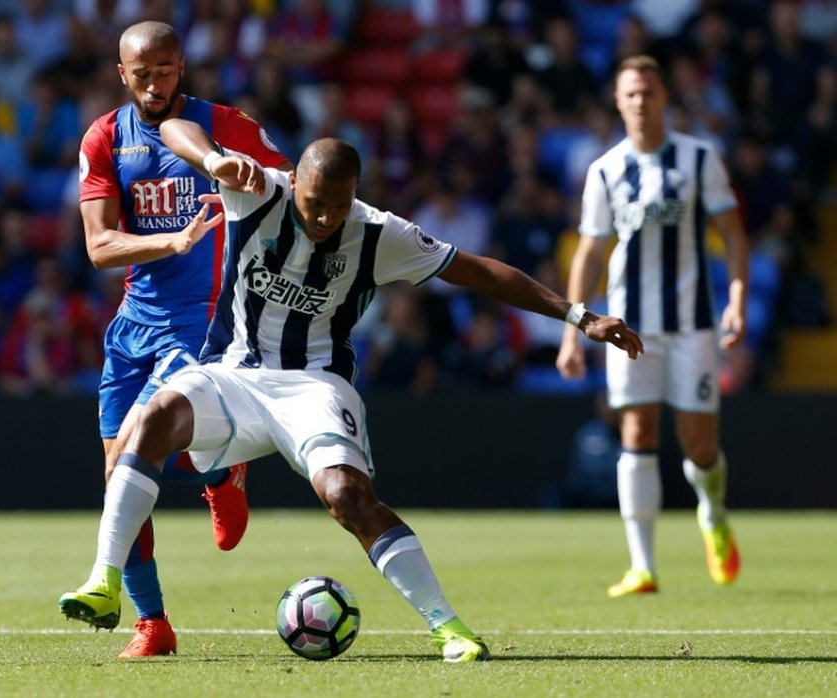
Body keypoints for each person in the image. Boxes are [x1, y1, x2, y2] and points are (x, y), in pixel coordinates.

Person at [59, 126, 643, 662]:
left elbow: (477, 271)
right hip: (233, 375)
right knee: (153, 415)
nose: (323, 218)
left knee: (348, 497)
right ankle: (104, 581)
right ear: (298, 185)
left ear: (354, 193)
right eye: (314, 204)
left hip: (314, 384)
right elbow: (174, 129)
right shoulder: (259, 190)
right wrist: (213, 158)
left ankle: (449, 627)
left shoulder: (379, 232)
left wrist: (576, 314)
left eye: (338, 206)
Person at [76, 21, 292, 657]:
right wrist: (169, 242)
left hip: (206, 319)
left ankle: (219, 472)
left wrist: (257, 184)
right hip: (134, 322)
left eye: (165, 70)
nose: (154, 83)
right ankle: (154, 624)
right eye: (141, 73)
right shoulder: (106, 137)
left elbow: (294, 194)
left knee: (155, 444)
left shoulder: (225, 123)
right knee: (119, 475)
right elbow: (98, 245)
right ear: (122, 74)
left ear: (181, 66)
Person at [556, 55, 748, 598]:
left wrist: (736, 299)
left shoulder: (699, 157)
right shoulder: (604, 170)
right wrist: (574, 328)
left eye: (649, 92)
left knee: (698, 446)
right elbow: (590, 254)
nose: (640, 101)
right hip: (629, 326)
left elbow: (733, 233)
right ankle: (643, 566)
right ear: (618, 102)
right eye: (630, 94)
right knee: (636, 433)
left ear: (664, 98)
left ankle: (711, 511)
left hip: (691, 326)